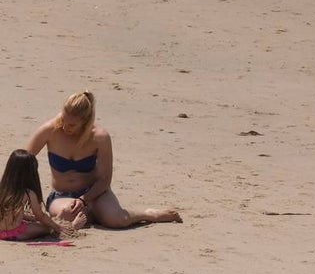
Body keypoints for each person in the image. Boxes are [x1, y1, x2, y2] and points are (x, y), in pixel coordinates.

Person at [26, 91, 181, 229]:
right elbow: (21, 162)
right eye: (64, 119)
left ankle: (148, 214)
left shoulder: (100, 137)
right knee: (66, 215)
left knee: (117, 220)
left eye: (72, 124)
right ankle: (95, 214)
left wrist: (84, 199)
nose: (66, 127)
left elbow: (105, 179)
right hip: (62, 195)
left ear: (85, 122)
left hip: (95, 193)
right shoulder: (50, 130)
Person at [0, 149, 72, 241]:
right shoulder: (28, 193)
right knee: (47, 228)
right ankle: (69, 224)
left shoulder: (2, 187)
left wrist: (30, 218)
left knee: (28, 219)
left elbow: (8, 210)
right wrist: (58, 228)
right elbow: (40, 216)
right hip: (16, 233)